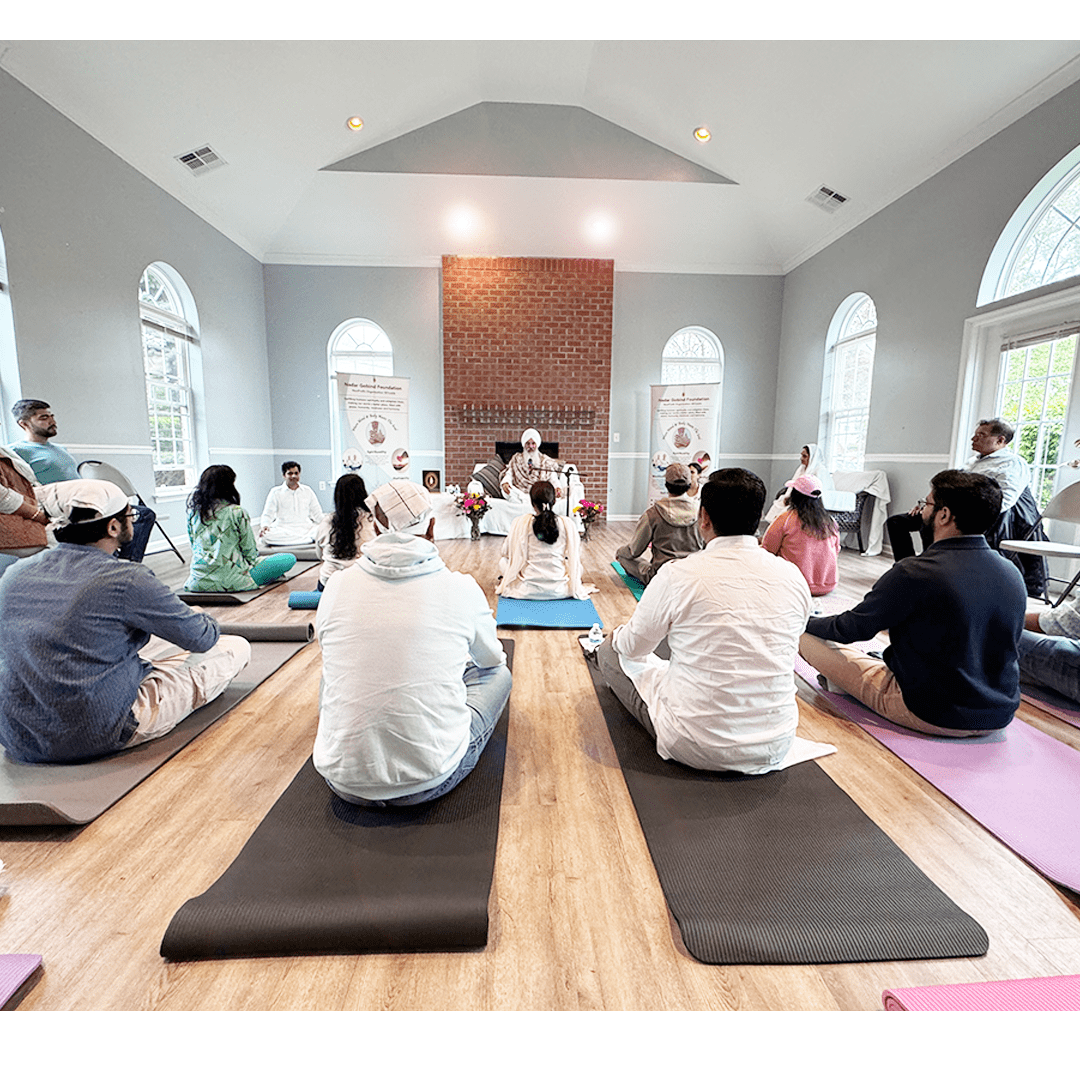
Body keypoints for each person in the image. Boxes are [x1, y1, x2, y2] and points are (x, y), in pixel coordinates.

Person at [0, 479, 250, 764]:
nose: (133, 521)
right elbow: (201, 638)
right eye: (130, 515)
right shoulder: (127, 578)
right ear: (113, 527)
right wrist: (199, 615)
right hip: (95, 732)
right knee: (235, 647)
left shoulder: (13, 574)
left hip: (16, 735)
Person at [595, 468, 812, 774]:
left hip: (695, 744)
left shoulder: (677, 574)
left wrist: (617, 635)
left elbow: (632, 648)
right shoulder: (792, 576)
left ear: (704, 518)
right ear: (759, 516)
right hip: (777, 742)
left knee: (609, 650)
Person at [313, 478, 511, 806]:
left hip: (343, 781)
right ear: (431, 527)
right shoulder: (460, 588)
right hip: (429, 781)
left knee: (331, 672)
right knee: (500, 675)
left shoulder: (336, 586)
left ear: (376, 528)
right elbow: (491, 660)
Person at [801, 470, 1026, 736]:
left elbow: (850, 629)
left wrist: (804, 620)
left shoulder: (914, 572)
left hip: (929, 712)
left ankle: (843, 681)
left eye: (926, 503)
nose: (921, 511)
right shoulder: (1012, 572)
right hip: (998, 715)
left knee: (804, 635)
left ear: (944, 514)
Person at [885, 418, 1046, 597]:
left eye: (981, 435)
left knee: (932, 523)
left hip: (974, 517)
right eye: (975, 434)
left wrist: (958, 514)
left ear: (1000, 440)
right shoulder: (972, 462)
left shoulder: (1013, 464)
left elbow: (1005, 501)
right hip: (948, 509)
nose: (973, 439)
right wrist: (927, 503)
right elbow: (946, 488)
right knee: (897, 522)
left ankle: (934, 572)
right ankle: (911, 571)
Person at [9, 398, 158, 562]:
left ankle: (125, 562)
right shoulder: (17, 452)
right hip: (62, 508)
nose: (52, 421)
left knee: (143, 514)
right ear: (24, 424)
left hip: (85, 501)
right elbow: (17, 487)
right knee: (110, 524)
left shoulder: (60, 449)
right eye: (44, 418)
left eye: (52, 416)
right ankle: (115, 563)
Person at [184, 465, 296, 592]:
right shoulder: (237, 512)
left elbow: (193, 545)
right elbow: (250, 553)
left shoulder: (193, 513)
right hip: (233, 581)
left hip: (197, 582)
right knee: (288, 559)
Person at [497, 480, 594, 600]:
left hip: (527, 589)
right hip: (560, 590)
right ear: (554, 501)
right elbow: (575, 555)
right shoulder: (567, 523)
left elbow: (505, 552)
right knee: (578, 567)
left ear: (532, 503)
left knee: (503, 562)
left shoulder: (521, 522)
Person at [615, 463, 703, 587]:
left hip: (661, 577)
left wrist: (619, 552)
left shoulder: (652, 514)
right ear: (689, 485)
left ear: (666, 485)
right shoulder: (701, 513)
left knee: (623, 556)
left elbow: (634, 551)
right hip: (692, 575)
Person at [761, 473, 840, 597]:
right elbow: (836, 550)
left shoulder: (786, 519)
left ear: (794, 495)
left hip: (794, 584)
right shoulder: (830, 522)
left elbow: (767, 550)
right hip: (828, 584)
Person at [313, 473, 375, 590]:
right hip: (363, 582)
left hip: (329, 582)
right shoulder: (372, 520)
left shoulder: (328, 521)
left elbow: (319, 553)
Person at [0, 444, 49, 569]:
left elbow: (30, 481)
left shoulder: (5, 451)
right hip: (10, 521)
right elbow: (3, 499)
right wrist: (37, 515)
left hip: (29, 507)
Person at [763, 443, 833, 526]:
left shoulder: (821, 471)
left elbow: (819, 492)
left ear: (812, 457)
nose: (801, 458)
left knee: (786, 510)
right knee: (779, 503)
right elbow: (793, 484)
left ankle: (782, 528)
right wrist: (788, 496)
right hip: (797, 497)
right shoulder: (801, 468)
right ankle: (773, 527)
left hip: (809, 501)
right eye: (801, 455)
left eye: (804, 456)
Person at [258, 461, 324, 546]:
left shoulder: (308, 490)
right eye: (290, 473)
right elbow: (268, 514)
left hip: (305, 528)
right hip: (283, 528)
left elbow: (317, 513)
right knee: (265, 536)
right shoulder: (275, 492)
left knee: (322, 531)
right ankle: (306, 540)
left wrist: (327, 524)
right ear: (284, 475)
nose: (293, 476)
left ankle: (300, 540)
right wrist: (265, 526)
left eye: (296, 473)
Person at [500, 428, 565, 503]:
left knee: (553, 495)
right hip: (520, 493)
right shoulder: (516, 459)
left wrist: (557, 488)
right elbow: (509, 474)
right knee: (506, 491)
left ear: (537, 445)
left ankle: (528, 503)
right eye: (528, 443)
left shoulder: (545, 461)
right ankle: (529, 503)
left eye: (533, 443)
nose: (530, 446)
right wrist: (506, 483)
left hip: (539, 494)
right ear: (524, 445)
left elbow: (553, 478)